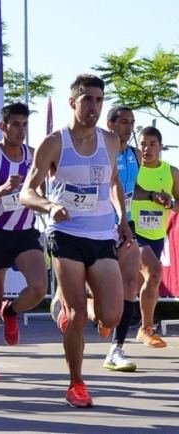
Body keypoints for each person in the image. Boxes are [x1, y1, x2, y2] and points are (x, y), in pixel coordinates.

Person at [20, 74, 130, 408]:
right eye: (88, 100)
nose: (94, 107)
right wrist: (49, 206)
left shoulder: (111, 141)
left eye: (99, 100)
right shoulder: (54, 143)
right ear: (73, 102)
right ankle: (76, 384)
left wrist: (123, 219)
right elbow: (27, 192)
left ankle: (64, 306)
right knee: (79, 314)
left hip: (101, 234)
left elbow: (113, 181)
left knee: (111, 316)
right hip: (66, 234)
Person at [0, 102, 48, 381]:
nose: (20, 130)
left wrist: (46, 204)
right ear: (2, 126)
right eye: (15, 124)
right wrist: (2, 189)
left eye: (25, 125)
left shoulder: (34, 155)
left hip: (25, 233)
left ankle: (11, 311)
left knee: (39, 288)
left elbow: (41, 194)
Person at [131, 126, 178, 349]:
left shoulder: (171, 172)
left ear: (160, 147)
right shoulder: (133, 169)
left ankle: (96, 308)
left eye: (152, 144)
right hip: (133, 233)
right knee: (155, 272)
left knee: (142, 285)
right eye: (142, 144)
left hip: (156, 236)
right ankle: (147, 329)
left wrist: (170, 203)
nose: (147, 149)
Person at [102, 106, 141, 371]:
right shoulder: (101, 151)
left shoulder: (135, 155)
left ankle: (116, 348)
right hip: (100, 225)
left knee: (130, 283)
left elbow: (134, 188)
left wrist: (154, 195)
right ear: (111, 124)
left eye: (132, 122)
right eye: (124, 122)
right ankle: (68, 299)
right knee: (101, 287)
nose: (129, 127)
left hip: (126, 224)